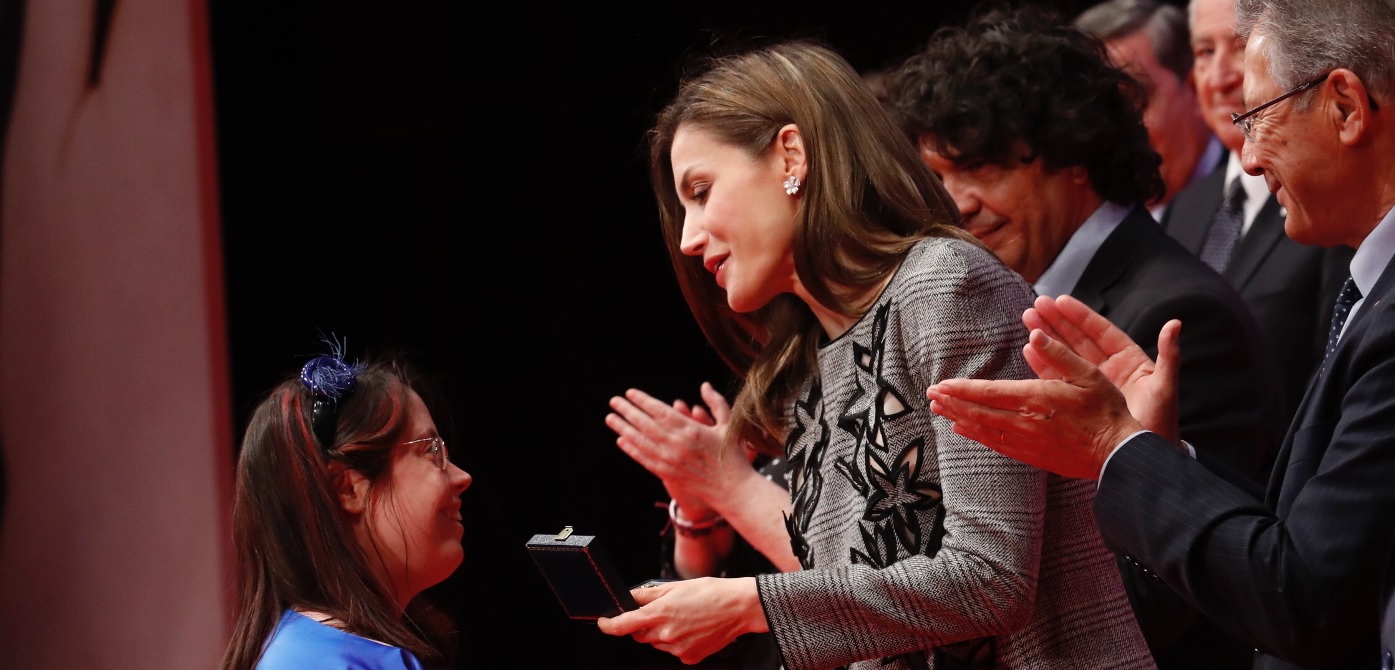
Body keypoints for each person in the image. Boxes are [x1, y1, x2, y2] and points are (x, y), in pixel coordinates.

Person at [596, 38, 1154, 669]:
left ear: (791, 155)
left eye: (701, 190)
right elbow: (866, 611)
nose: (691, 238)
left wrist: (751, 603)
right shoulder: (808, 358)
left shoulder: (946, 286)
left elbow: (991, 579)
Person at [926, 1, 1395, 667]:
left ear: (1344, 105)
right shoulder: (1372, 289)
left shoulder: (1182, 309)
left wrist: (1119, 449)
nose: (1250, 161)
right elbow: (1293, 536)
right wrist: (1153, 454)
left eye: (1257, 117)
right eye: (941, 176)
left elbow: (1303, 596)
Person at [884, 8, 1281, 667]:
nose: (956, 205)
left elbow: (1162, 601)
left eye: (980, 168)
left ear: (1073, 153)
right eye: (939, 179)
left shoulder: (1179, 316)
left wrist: (961, 596)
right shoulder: (1005, 298)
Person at [219, 341, 473, 670]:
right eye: (432, 451)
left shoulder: (319, 652)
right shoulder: (325, 662)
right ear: (349, 489)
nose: (462, 477)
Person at [1157, 0, 1351, 424]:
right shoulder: (1185, 208)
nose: (1224, 76)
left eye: (1241, 46)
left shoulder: (1331, 207)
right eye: (1206, 51)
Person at [1074, 0, 1224, 221]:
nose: (1113, 130)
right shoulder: (1095, 224)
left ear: (1194, 88)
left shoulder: (1258, 192)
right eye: (1095, 110)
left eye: (1133, 99)